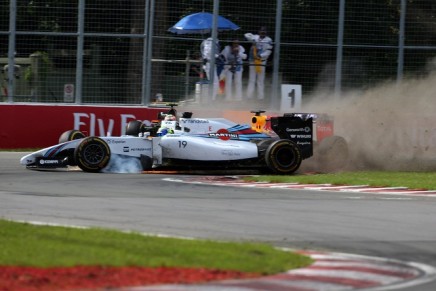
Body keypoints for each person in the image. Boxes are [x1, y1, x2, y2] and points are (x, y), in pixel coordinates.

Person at [244, 26, 273, 100]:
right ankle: (249, 96)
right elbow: (246, 35)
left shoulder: (269, 40)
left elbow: (268, 51)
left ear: (266, 32)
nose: (262, 32)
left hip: (261, 62)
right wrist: (253, 40)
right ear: (259, 31)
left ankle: (260, 97)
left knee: (260, 80)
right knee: (252, 79)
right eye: (261, 31)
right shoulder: (255, 37)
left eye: (264, 31)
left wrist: (260, 55)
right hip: (253, 61)